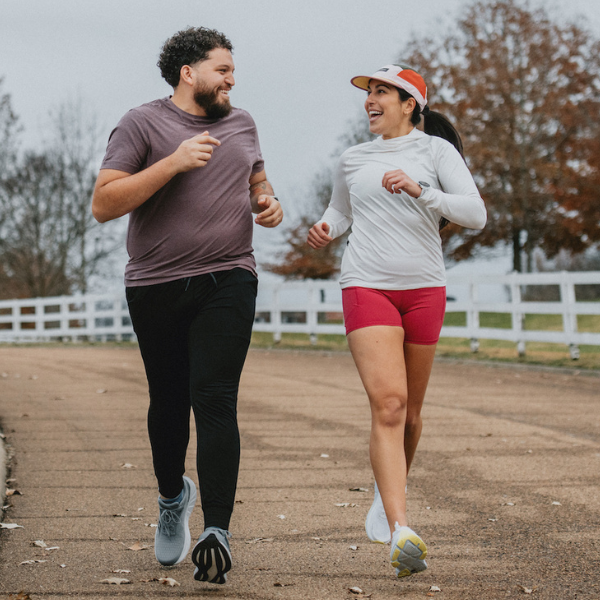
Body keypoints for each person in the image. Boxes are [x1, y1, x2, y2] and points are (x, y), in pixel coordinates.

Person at [91, 27, 283, 585]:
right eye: (222, 69)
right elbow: (105, 203)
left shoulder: (242, 123)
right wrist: (172, 163)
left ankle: (217, 530)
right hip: (155, 283)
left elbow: (259, 183)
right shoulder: (141, 124)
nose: (232, 79)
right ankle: (173, 497)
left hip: (229, 277)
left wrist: (267, 204)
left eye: (232, 69)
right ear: (188, 73)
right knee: (170, 402)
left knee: (216, 397)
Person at [307, 64, 486, 578]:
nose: (371, 99)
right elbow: (340, 213)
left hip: (425, 288)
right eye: (369, 92)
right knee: (388, 405)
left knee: (410, 416)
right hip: (366, 284)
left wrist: (420, 191)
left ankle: (388, 496)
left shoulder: (436, 153)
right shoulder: (352, 159)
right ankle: (402, 526)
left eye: (382, 91)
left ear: (410, 104)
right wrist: (326, 228)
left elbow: (476, 214)